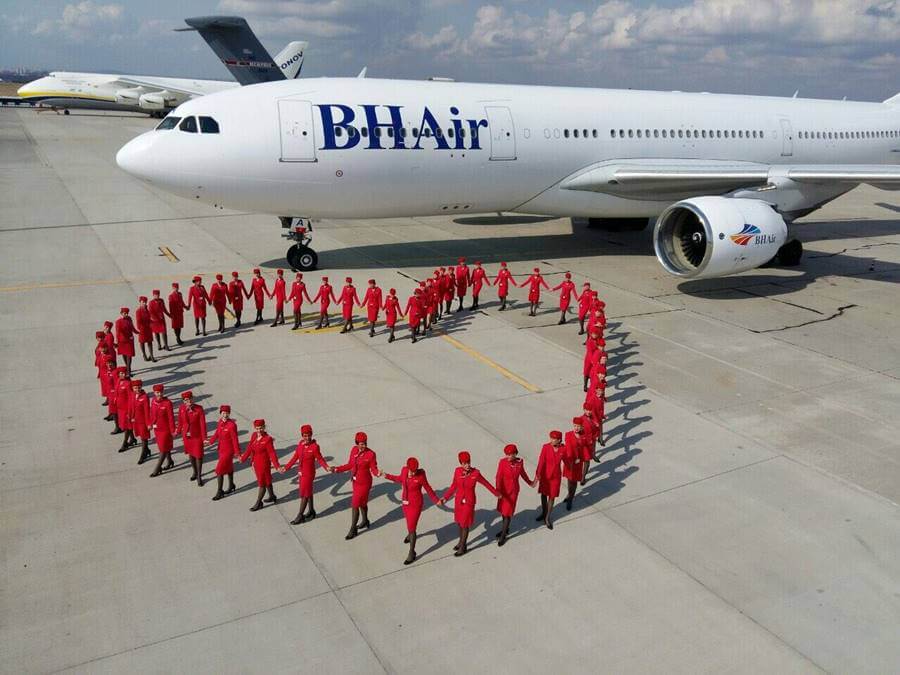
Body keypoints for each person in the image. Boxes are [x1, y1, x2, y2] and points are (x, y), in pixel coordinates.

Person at [384, 457, 440, 564]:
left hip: (416, 505)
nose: (413, 472)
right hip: (405, 503)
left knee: (412, 527)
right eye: (412, 470)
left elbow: (428, 488)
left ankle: (412, 552)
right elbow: (399, 479)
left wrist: (436, 500)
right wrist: (385, 475)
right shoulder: (404, 470)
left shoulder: (421, 475)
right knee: (409, 523)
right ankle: (410, 534)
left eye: (415, 470)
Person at [442, 451, 498, 557]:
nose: (467, 465)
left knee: (465, 524)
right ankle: (461, 542)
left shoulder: (475, 473)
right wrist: (445, 498)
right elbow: (454, 486)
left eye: (468, 462)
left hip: (469, 503)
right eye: (464, 463)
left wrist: (496, 493)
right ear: (460, 464)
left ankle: (463, 548)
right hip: (458, 502)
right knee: (459, 523)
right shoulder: (457, 471)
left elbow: (486, 483)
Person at [331, 431, 380, 540]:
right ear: (356, 443)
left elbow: (373, 468)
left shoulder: (371, 454)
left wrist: (377, 473)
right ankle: (365, 520)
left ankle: (353, 529)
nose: (363, 446)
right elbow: (350, 464)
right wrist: (337, 469)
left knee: (355, 504)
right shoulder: (354, 450)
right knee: (362, 503)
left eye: (365, 443)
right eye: (361, 444)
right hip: (356, 483)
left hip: (365, 483)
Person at [281, 424, 330, 523]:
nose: (307, 437)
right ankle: (311, 511)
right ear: (302, 436)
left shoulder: (315, 447)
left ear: (311, 435)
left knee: (304, 494)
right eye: (305, 435)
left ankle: (300, 515)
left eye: (309, 435)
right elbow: (295, 457)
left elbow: (320, 459)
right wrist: (286, 468)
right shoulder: (300, 444)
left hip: (309, 474)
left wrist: (326, 467)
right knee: (308, 492)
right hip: (301, 473)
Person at [494, 444, 535, 546]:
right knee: (503, 512)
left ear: (515, 454)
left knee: (508, 514)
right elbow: (498, 477)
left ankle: (503, 535)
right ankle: (505, 529)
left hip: (513, 492)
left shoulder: (519, 462)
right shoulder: (502, 462)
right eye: (507, 454)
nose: (508, 457)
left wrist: (530, 482)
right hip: (503, 492)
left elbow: (523, 473)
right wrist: (497, 490)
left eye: (510, 454)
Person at [240, 419, 282, 511]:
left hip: (264, 465)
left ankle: (259, 503)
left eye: (261, 428)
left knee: (262, 484)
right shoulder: (254, 435)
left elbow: (272, 453)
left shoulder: (268, 439)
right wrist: (243, 458)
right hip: (256, 465)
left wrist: (277, 466)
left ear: (264, 427)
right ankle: (272, 496)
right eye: (257, 428)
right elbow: (250, 448)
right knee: (267, 480)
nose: (259, 430)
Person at [206, 405, 240, 500]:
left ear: (229, 413)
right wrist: (210, 442)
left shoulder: (232, 425)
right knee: (229, 468)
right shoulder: (220, 422)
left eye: (227, 413)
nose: (225, 415)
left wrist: (237, 452)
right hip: (221, 450)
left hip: (228, 451)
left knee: (219, 470)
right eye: (223, 413)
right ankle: (231, 485)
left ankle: (219, 491)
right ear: (220, 413)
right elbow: (217, 433)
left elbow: (235, 440)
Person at [535, 430, 564, 529]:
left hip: (556, 477)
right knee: (543, 494)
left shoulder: (563, 449)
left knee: (552, 497)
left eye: (554, 439)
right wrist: (538, 474)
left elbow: (568, 460)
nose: (551, 440)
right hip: (545, 475)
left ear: (559, 440)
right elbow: (541, 461)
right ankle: (543, 512)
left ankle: (547, 518)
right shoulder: (546, 447)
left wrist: (573, 465)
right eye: (551, 438)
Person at [177, 390, 207, 485]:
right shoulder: (182, 408)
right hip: (187, 436)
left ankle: (199, 476)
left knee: (199, 455)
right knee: (191, 455)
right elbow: (180, 422)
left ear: (192, 399)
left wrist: (204, 438)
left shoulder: (199, 409)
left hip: (197, 436)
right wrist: (177, 431)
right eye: (186, 400)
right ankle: (194, 471)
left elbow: (203, 425)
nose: (188, 401)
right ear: (183, 401)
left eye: (190, 399)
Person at [149, 383, 175, 477]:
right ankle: (170, 461)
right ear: (154, 393)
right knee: (163, 447)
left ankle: (157, 468)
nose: (159, 394)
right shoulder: (153, 401)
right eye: (157, 392)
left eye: (160, 392)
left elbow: (171, 417)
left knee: (163, 449)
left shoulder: (167, 403)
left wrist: (172, 430)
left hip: (165, 430)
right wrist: (150, 423)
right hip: (157, 429)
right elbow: (151, 413)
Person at [563, 417, 587, 510]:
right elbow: (568, 447)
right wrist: (571, 459)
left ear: (582, 427)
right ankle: (569, 494)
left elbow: (585, 448)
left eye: (579, 426)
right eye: (575, 426)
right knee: (569, 479)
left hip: (578, 462)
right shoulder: (568, 435)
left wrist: (582, 459)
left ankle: (571, 499)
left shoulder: (583, 436)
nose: (576, 428)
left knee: (575, 480)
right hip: (570, 461)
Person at [130, 379, 152, 464]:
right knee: (141, 436)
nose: (137, 389)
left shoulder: (145, 397)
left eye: (139, 387)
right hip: (136, 420)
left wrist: (148, 423)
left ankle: (143, 455)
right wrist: (131, 416)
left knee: (144, 438)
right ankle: (147, 450)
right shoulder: (132, 395)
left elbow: (147, 411)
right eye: (135, 388)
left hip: (143, 421)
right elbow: (132, 407)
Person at [114, 367, 134, 449]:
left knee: (126, 426)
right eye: (121, 373)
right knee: (125, 425)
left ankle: (125, 443)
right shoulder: (119, 381)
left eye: (124, 373)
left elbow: (130, 398)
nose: (123, 375)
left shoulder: (128, 383)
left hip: (126, 408)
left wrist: (130, 411)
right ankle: (132, 438)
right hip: (120, 408)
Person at [585, 380, 607, 453]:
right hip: (594, 418)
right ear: (596, 390)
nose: (601, 392)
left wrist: (602, 415)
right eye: (600, 390)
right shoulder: (592, 399)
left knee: (601, 428)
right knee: (593, 435)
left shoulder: (601, 396)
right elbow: (591, 412)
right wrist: (595, 421)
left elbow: (602, 406)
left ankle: (600, 439)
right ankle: (593, 453)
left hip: (599, 416)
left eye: (602, 390)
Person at [114, 307, 136, 377]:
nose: (126, 314)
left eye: (127, 313)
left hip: (129, 340)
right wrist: (117, 342)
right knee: (124, 354)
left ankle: (128, 370)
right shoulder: (118, 322)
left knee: (129, 356)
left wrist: (137, 332)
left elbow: (132, 327)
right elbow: (118, 332)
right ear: (121, 313)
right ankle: (127, 370)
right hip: (122, 341)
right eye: (124, 313)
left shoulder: (129, 319)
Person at [135, 296, 155, 363]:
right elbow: (138, 320)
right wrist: (139, 328)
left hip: (148, 328)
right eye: (143, 302)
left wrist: (152, 322)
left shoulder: (147, 310)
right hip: (142, 329)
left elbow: (149, 318)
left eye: (145, 302)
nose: (144, 303)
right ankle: (144, 355)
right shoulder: (138, 311)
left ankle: (151, 356)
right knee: (142, 342)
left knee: (150, 342)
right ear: (140, 302)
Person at [101, 357, 118, 424]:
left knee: (113, 405)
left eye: (111, 363)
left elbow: (117, 383)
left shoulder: (115, 372)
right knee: (110, 405)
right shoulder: (108, 370)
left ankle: (113, 416)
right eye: (108, 363)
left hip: (113, 392)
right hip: (109, 390)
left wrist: (114, 391)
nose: (109, 365)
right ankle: (110, 414)